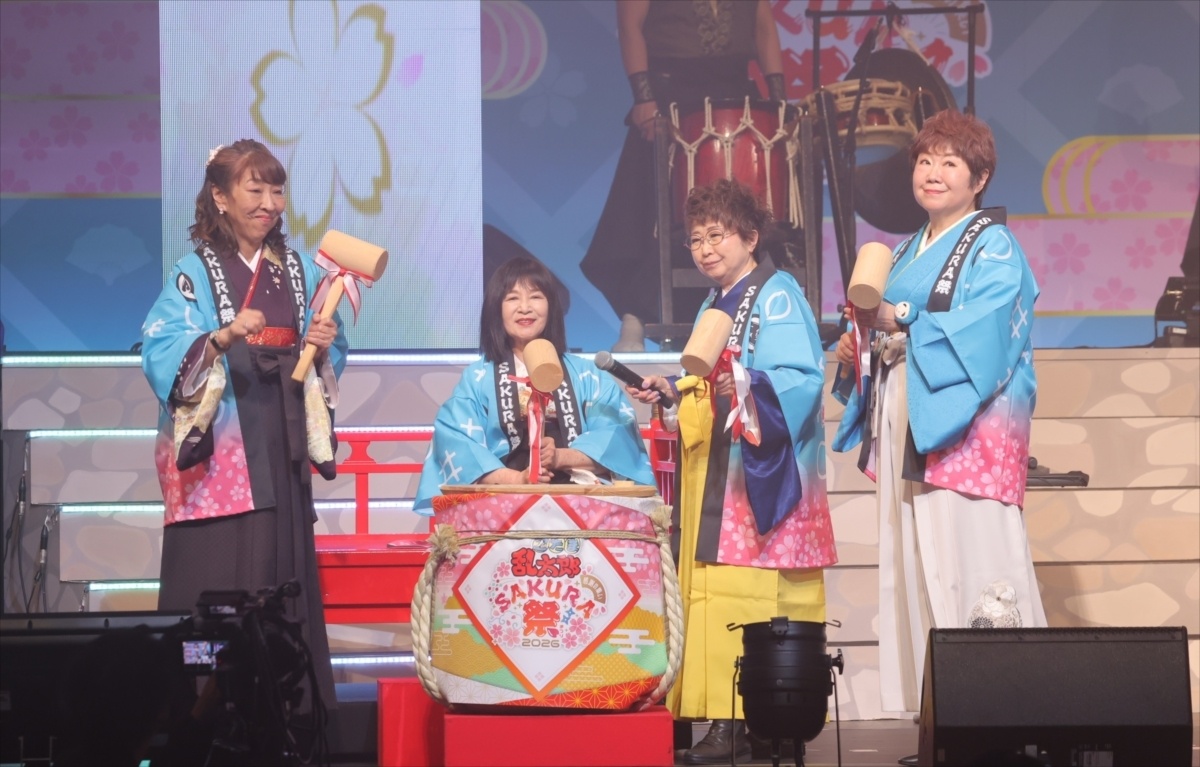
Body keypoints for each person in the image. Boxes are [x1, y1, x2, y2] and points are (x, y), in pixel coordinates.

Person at [831, 110, 1047, 729]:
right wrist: (859, 346)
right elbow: (885, 329)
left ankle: (1004, 713)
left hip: (966, 425)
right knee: (918, 561)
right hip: (907, 415)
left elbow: (988, 331)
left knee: (974, 558)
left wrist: (899, 319)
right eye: (925, 160)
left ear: (979, 179)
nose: (933, 172)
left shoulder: (994, 246)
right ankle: (942, 714)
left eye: (951, 162)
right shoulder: (903, 251)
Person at [628, 179, 836, 764]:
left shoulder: (777, 295)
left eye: (716, 235)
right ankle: (726, 717)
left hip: (762, 475)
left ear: (750, 236)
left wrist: (738, 383)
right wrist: (676, 391)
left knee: (750, 598)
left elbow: (798, 381)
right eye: (696, 240)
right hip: (720, 476)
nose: (705, 249)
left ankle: (747, 720)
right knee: (718, 594)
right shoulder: (715, 303)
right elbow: (710, 382)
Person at [141, 139, 348, 726]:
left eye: (276, 190)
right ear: (220, 197)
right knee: (215, 574)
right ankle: (200, 707)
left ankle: (287, 706)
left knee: (281, 573)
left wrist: (322, 345)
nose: (268, 203)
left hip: (279, 428)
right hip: (227, 439)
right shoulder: (193, 272)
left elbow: (324, 350)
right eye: (254, 189)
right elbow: (161, 346)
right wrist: (221, 337)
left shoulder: (300, 271)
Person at [581, 0, 786, 352]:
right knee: (649, 206)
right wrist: (643, 96)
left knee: (746, 202)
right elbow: (630, 26)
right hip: (671, 92)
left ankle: (760, 314)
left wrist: (778, 98)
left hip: (736, 91)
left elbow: (763, 26)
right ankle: (635, 317)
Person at [414, 255, 655, 511]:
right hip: (501, 505)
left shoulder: (587, 375)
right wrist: (517, 480)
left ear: (551, 306)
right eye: (512, 298)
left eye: (536, 296)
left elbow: (617, 436)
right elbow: (458, 443)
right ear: (497, 309)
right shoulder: (477, 378)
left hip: (581, 501)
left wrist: (560, 457)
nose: (525, 308)